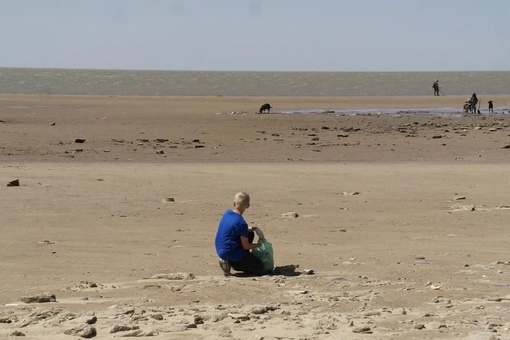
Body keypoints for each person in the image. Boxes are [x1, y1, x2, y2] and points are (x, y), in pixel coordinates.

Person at [215, 192, 266, 276]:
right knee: (259, 267)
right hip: (230, 252)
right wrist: (259, 245)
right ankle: (232, 263)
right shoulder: (241, 223)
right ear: (248, 206)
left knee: (250, 234)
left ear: (234, 203)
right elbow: (246, 246)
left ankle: (241, 259)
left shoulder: (227, 213)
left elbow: (236, 228)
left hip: (221, 249)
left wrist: (254, 229)